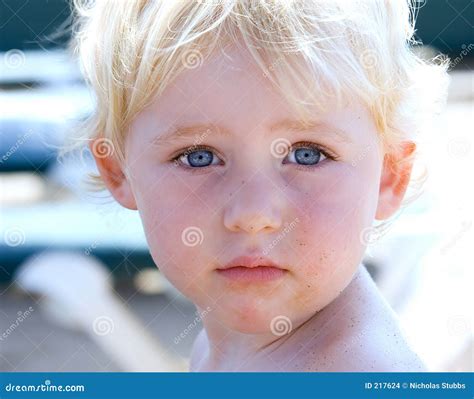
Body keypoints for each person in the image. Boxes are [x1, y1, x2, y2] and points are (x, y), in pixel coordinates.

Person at [67, 0, 449, 371]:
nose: (252, 214)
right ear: (119, 171)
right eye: (198, 156)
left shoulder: (363, 371)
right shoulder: (221, 346)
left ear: (389, 175)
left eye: (307, 155)